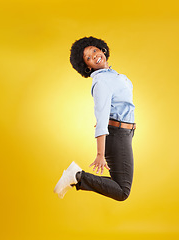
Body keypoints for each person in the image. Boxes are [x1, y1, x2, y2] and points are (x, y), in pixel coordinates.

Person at [54, 36, 136, 201]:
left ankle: (77, 177)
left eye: (94, 51)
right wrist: (100, 154)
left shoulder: (111, 75)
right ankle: (77, 177)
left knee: (121, 185)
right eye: (88, 58)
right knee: (122, 191)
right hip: (117, 134)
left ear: (102, 49)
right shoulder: (102, 81)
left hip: (124, 133)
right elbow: (101, 118)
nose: (95, 56)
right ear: (87, 67)